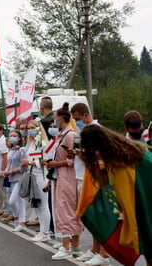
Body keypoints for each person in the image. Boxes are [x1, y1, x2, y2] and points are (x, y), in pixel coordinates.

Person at [77, 125, 152, 266]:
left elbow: (129, 193)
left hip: (145, 200)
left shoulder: (123, 162)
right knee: (147, 244)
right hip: (144, 199)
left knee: (147, 240)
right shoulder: (123, 151)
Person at [71, 102, 110, 265]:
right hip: (83, 176)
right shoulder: (83, 130)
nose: (76, 121)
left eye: (77, 118)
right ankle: (95, 250)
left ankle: (104, 254)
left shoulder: (96, 129)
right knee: (92, 216)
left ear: (85, 115)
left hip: (95, 177)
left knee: (99, 216)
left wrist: (83, 154)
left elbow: (100, 154)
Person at [43, 103, 83, 260]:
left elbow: (71, 159)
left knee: (66, 209)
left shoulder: (70, 135)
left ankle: (68, 246)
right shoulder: (61, 135)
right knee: (66, 208)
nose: (54, 121)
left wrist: (54, 164)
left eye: (56, 118)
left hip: (67, 176)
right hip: (60, 175)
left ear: (60, 118)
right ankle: (73, 245)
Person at [20, 120, 51, 242]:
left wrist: (30, 162)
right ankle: (42, 231)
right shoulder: (31, 144)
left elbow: (46, 161)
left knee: (43, 205)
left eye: (33, 127)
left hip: (41, 177)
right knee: (37, 205)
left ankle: (45, 232)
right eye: (29, 128)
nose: (30, 130)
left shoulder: (42, 143)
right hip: (32, 176)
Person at [3, 130, 27, 229]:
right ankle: (20, 221)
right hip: (10, 179)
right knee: (16, 201)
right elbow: (8, 165)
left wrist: (12, 171)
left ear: (19, 138)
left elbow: (23, 167)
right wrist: (5, 171)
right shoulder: (11, 150)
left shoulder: (22, 150)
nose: (12, 137)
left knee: (13, 201)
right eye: (11, 135)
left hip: (19, 178)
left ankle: (19, 220)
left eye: (14, 136)